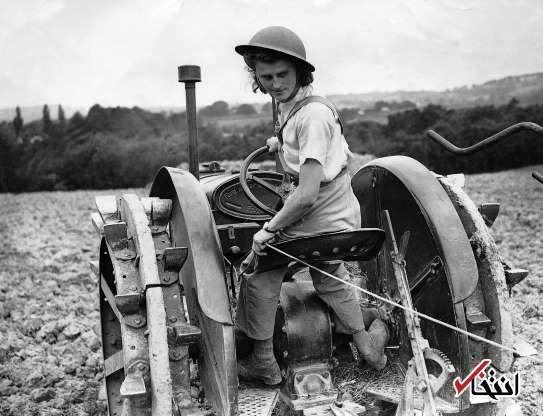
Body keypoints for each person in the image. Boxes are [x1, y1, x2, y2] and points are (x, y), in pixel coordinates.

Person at [234, 26, 389, 386]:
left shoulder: (312, 117)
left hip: (316, 216)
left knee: (258, 270)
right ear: (255, 75)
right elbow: (331, 150)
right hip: (339, 215)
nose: (274, 83)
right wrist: (280, 144)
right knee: (328, 275)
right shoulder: (303, 105)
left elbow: (304, 196)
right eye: (265, 76)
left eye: (282, 75)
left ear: (300, 70)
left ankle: (263, 363)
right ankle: (366, 344)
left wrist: (268, 231)